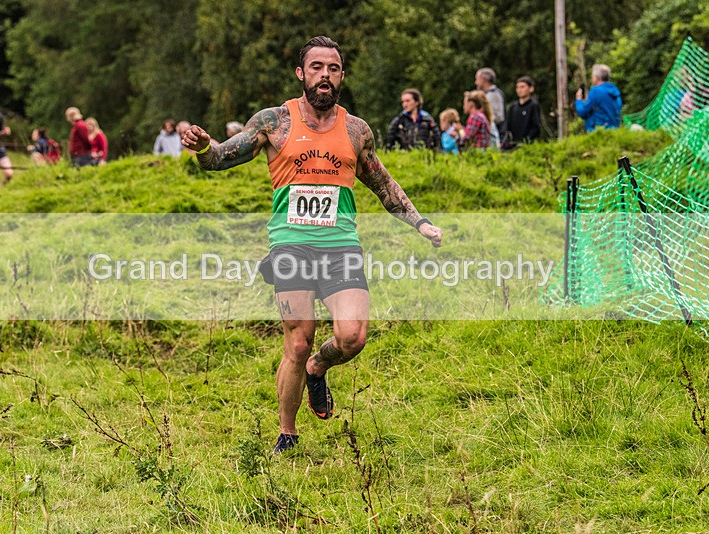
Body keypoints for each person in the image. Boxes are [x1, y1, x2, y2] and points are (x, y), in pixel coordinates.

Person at [181, 36, 442, 454]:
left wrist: (420, 222)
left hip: (341, 246)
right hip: (291, 245)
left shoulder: (356, 130)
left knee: (353, 337)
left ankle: (319, 368)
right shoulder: (274, 121)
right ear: (302, 73)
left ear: (341, 76)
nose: (326, 75)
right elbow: (220, 158)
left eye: (333, 68)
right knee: (297, 342)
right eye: (317, 67)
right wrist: (203, 148)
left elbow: (382, 183)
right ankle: (288, 433)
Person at [575, 64, 623, 132]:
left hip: (599, 133)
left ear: (596, 77)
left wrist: (578, 100)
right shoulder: (615, 91)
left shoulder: (596, 91)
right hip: (614, 132)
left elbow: (582, 112)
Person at [504, 76, 541, 150]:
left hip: (527, 146)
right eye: (517, 87)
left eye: (522, 87)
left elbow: (536, 127)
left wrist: (526, 142)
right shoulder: (513, 107)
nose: (519, 90)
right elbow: (508, 127)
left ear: (531, 88)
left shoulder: (533, 105)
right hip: (513, 146)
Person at [475, 68, 506, 141]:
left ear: (483, 79)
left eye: (477, 79)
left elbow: (499, 117)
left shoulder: (494, 95)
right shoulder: (486, 94)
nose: (476, 83)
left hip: (495, 135)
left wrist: (482, 122)